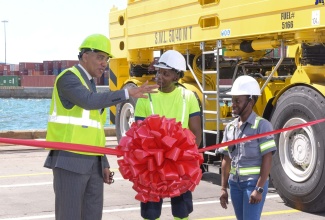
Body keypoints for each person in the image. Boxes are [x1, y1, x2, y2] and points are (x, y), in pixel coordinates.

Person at [44, 33, 159, 220]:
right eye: (100, 57)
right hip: (70, 159)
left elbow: (94, 129)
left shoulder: (90, 84)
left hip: (93, 164)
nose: (104, 63)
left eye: (106, 59)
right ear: (84, 56)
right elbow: (88, 102)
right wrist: (125, 93)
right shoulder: (68, 78)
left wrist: (102, 162)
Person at [134, 50, 202, 220]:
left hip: (179, 164)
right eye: (158, 71)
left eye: (165, 73)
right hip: (152, 165)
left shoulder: (189, 97)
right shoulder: (145, 98)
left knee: (181, 211)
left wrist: (187, 159)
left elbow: (196, 133)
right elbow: (138, 133)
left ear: (176, 77)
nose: (159, 76)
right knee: (151, 213)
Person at [219, 75, 277, 220]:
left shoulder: (262, 126)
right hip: (235, 185)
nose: (233, 104)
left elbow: (267, 159)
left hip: (252, 184)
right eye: (232, 100)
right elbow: (226, 159)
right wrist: (223, 188)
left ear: (250, 101)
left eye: (237, 101)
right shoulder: (230, 127)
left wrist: (259, 188)